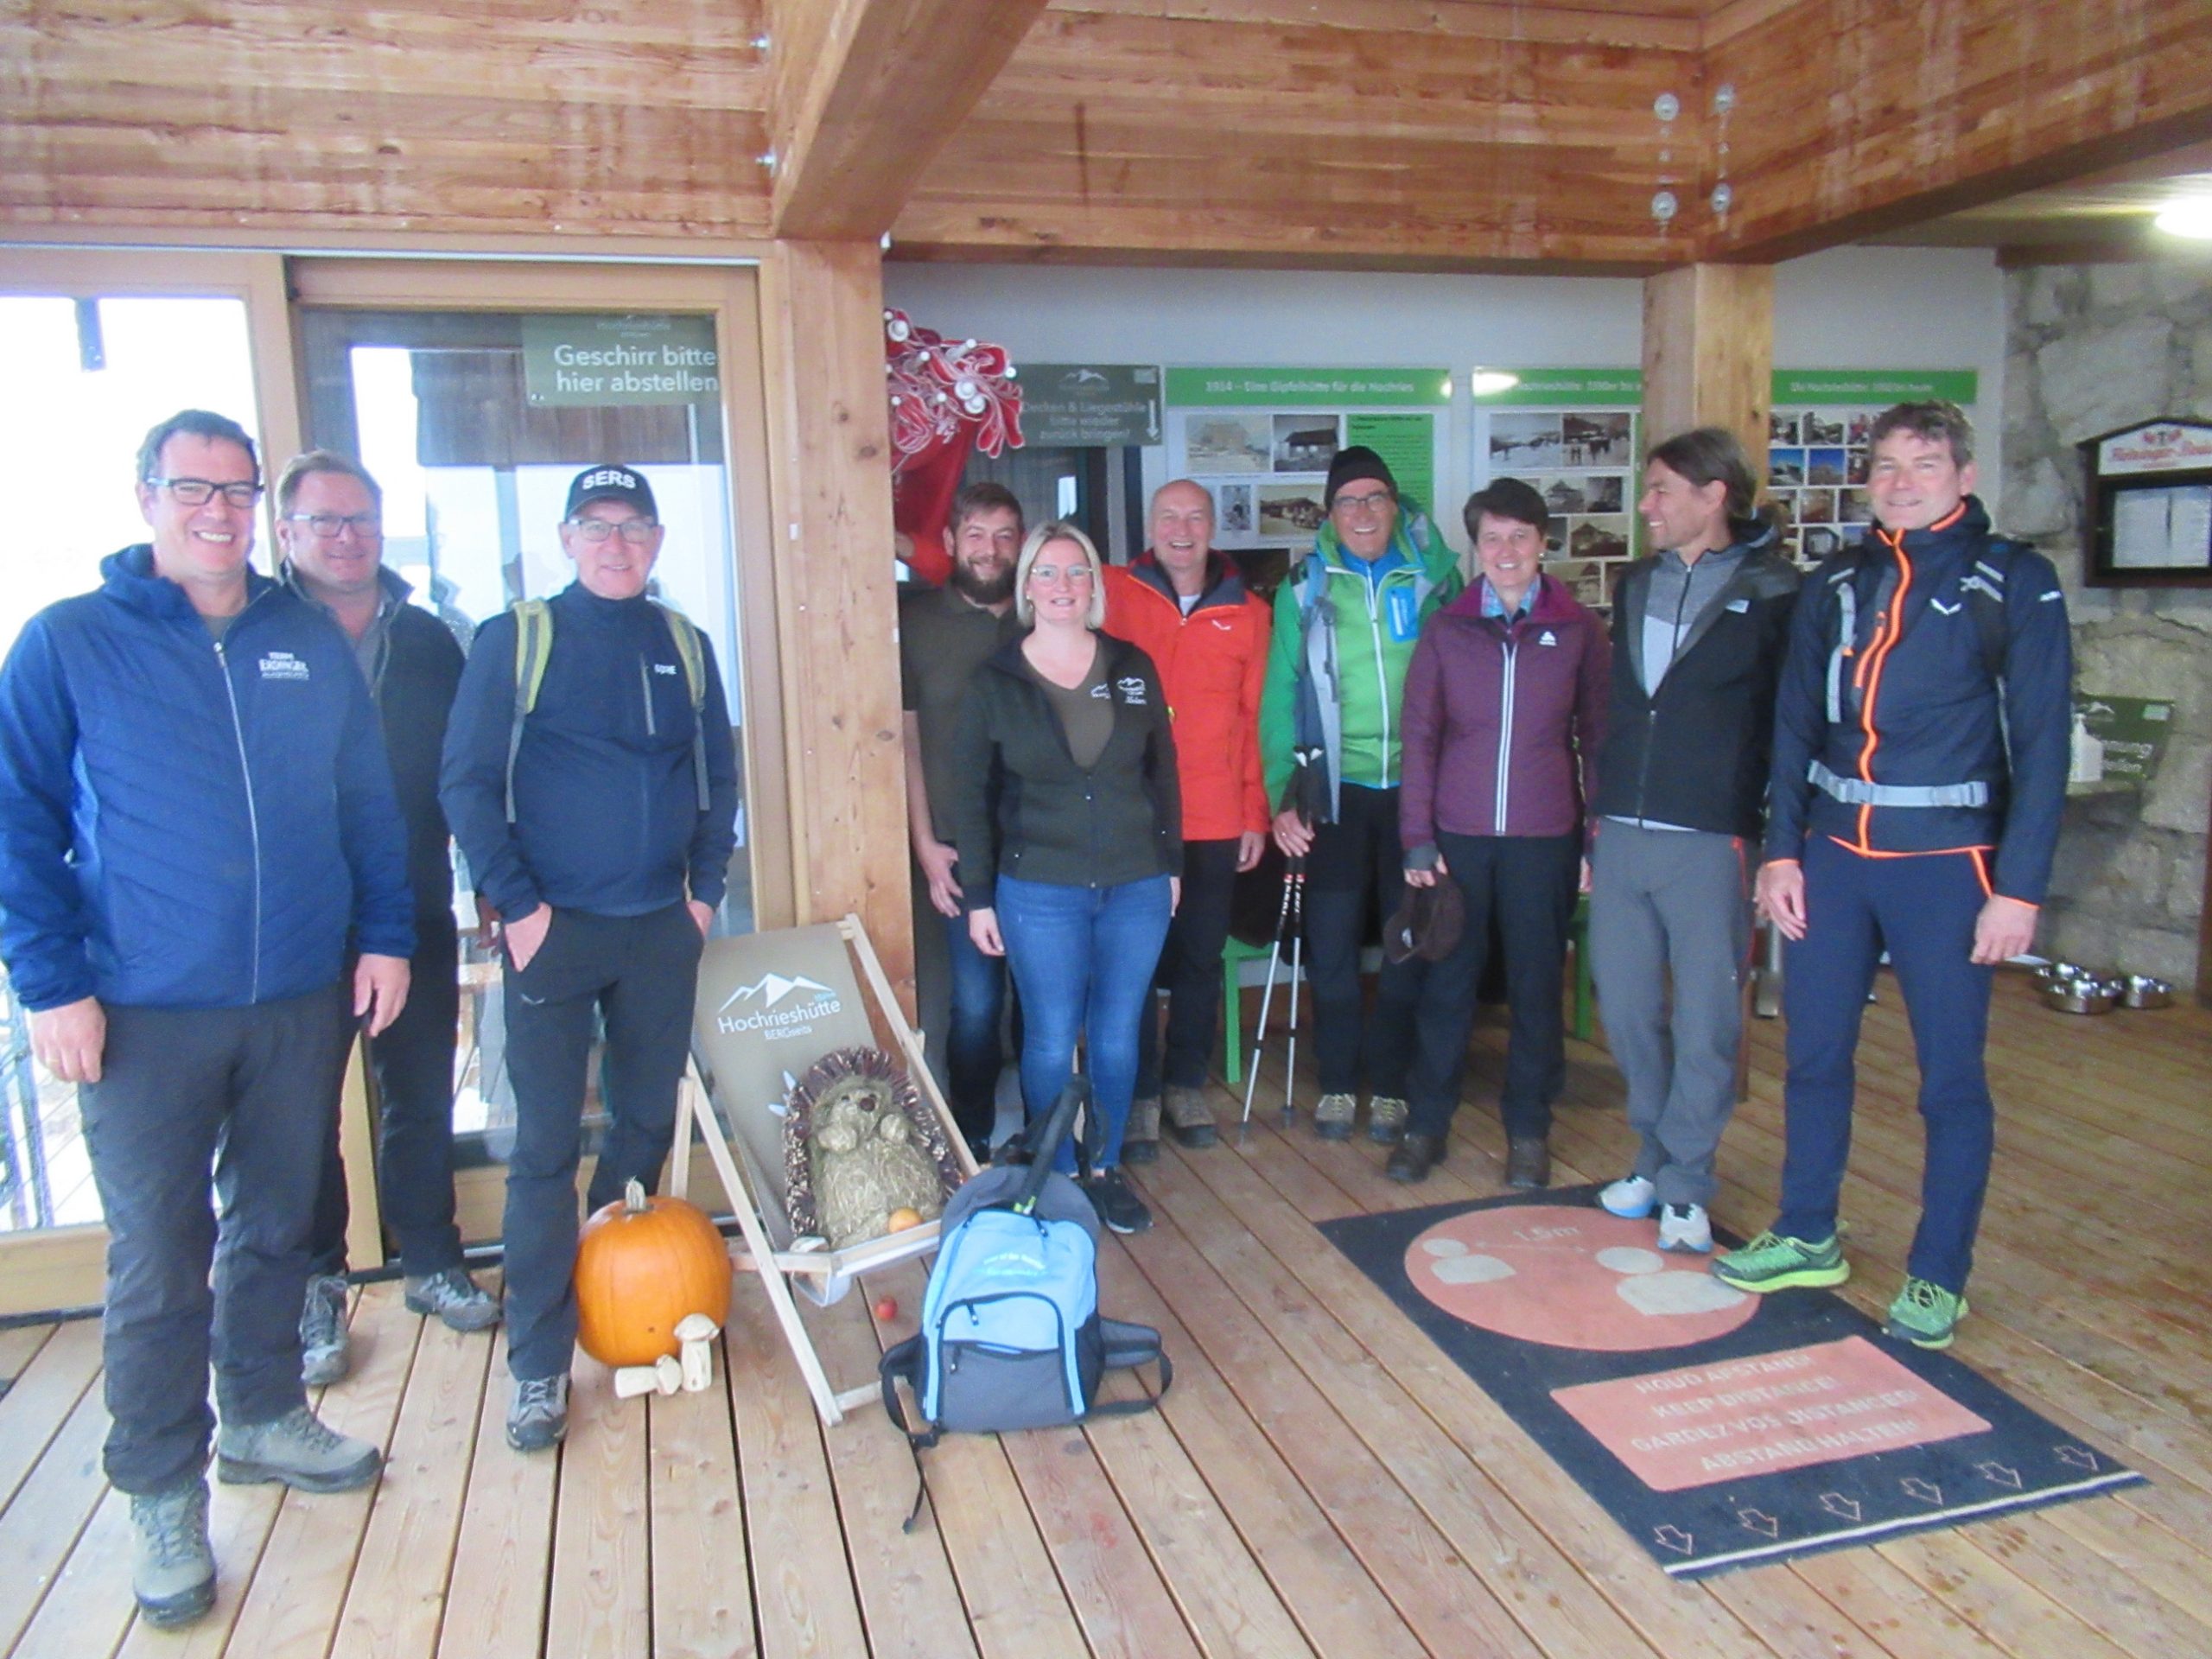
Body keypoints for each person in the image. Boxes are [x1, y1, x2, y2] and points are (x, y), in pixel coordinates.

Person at [0, 410, 413, 1626]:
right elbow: (18, 821)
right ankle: (161, 1490)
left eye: (237, 491)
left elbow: (366, 801)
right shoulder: (70, 643)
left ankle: (266, 1416)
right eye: (194, 489)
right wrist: (50, 985)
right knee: (160, 1257)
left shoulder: (303, 638)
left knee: (279, 1224)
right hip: (140, 1009)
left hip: (296, 993)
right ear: (147, 498)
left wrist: (385, 933)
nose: (218, 512)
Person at [1713, 402, 2071, 1351]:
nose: (1901, 482)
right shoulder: (1837, 580)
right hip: (1833, 858)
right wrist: (1781, 850)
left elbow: (2042, 746)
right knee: (1813, 1056)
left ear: (1964, 475)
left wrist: (2020, 889)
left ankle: (1938, 1275)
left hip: (1947, 867)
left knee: (1948, 1080)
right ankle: (1806, 1231)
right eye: (1885, 465)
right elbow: (1793, 724)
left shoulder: (2014, 581)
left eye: (1924, 464)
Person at [440, 463, 739, 1449]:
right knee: (541, 1152)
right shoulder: (518, 639)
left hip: (660, 929)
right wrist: (520, 909)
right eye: (597, 526)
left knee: (643, 1126)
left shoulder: (684, 645)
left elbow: (718, 776)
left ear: (656, 540)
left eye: (634, 526)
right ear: (567, 539)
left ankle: (625, 1305)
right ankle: (537, 1364)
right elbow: (465, 784)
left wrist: (703, 894)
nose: (617, 543)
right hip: (553, 932)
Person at [276, 450, 499, 1387]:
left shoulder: (430, 642)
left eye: (361, 519)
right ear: (285, 534)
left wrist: (485, 878)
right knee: (299, 1115)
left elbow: (467, 773)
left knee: (419, 1095)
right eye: (325, 521)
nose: (347, 537)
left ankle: (432, 1262)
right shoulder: (257, 633)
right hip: (293, 924)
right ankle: (316, 1287)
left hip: (410, 908)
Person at [1588, 429, 1801, 1252]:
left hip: (1713, 837)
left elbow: (1792, 724)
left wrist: (1781, 842)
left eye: (1662, 490)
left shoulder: (1776, 589)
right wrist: (1595, 818)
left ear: (1714, 496)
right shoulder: (1637, 582)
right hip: (1623, 831)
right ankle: (1652, 1155)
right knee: (1628, 1009)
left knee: (1708, 1020)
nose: (1646, 506)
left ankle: (1685, 1180)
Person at [950, 523, 1180, 1235]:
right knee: (1050, 1037)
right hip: (1039, 889)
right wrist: (979, 898)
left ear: (1094, 585)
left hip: (1136, 884)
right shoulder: (994, 681)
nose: (1062, 586)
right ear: (1026, 587)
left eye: (1076, 571)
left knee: (1116, 1035)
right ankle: (1053, 1176)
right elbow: (970, 799)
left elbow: (1163, 774)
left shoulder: (1133, 665)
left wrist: (1171, 865)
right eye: (1046, 573)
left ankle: (1103, 1169)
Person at [1389, 479, 1607, 1185]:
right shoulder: (1448, 627)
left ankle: (1529, 1131)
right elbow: (1420, 736)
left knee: (1537, 987)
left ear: (1543, 543)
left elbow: (1599, 739)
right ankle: (1426, 1126)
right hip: (1458, 839)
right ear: (1475, 547)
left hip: (1545, 837)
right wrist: (1417, 835)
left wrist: (1595, 838)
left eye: (1519, 537)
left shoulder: (1578, 629)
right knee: (1446, 985)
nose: (1506, 551)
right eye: (1492, 538)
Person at [1259, 446, 1462, 1144]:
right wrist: (1282, 795)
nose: (1363, 512)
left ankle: (1395, 1087)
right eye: (1348, 501)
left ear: (1396, 505)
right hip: (1335, 790)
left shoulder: (1436, 577)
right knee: (1333, 945)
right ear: (1330, 513)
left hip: (1417, 791)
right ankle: (1340, 1082)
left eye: (1375, 497)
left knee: (1408, 943)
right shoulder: (1303, 587)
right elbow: (1280, 697)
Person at [1102, 480, 1270, 1160]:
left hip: (1213, 814)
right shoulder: (1112, 592)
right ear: (1151, 526)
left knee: (1201, 956)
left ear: (1212, 526)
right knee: (1135, 962)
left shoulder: (1250, 614)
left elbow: (1254, 721)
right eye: (1169, 516)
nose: (1181, 528)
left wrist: (1254, 812)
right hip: (1134, 814)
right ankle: (1141, 1092)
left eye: (1194, 517)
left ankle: (1184, 1084)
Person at [901, 482, 1026, 1160]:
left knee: (1041, 1001)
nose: (990, 549)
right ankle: (969, 1141)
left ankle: (1044, 1140)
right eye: (976, 534)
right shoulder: (916, 622)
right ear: (950, 542)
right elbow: (904, 739)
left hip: (1043, 844)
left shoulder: (1045, 615)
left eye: (1004, 535)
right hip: (955, 846)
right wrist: (924, 841)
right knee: (975, 1006)